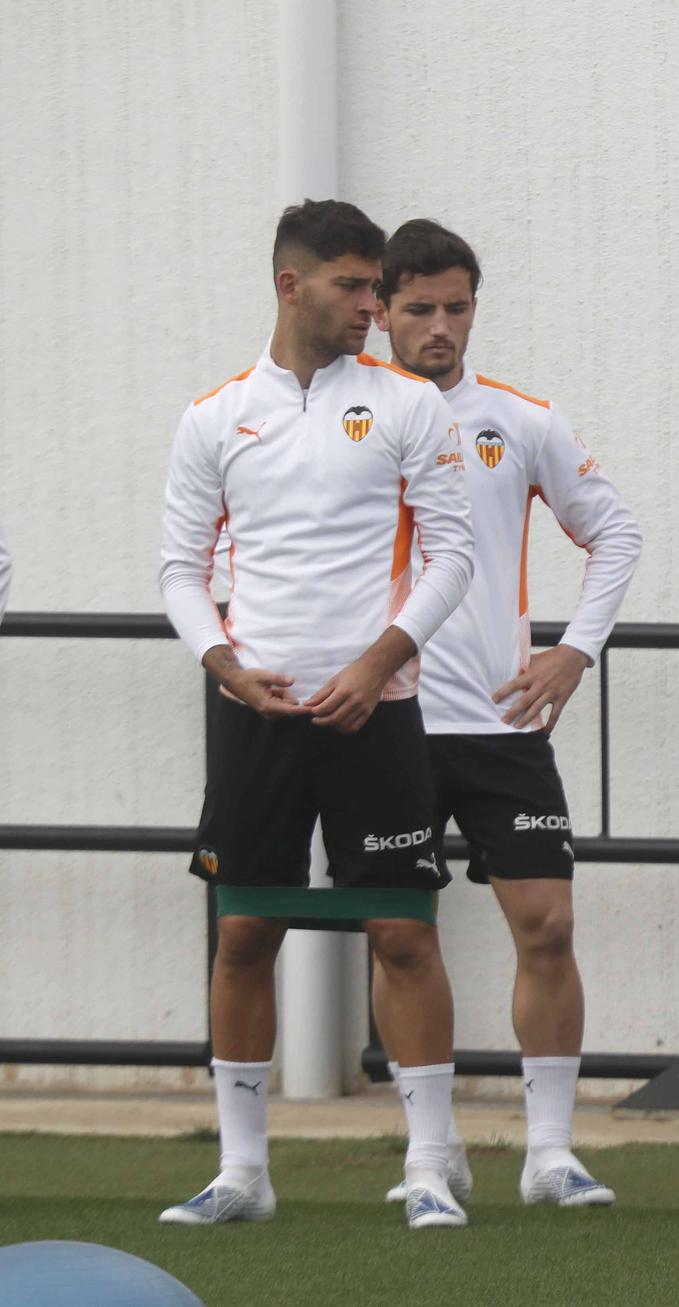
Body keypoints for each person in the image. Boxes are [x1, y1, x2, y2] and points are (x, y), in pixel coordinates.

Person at [157, 200, 475, 1229]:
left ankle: (429, 1162)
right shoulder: (214, 414)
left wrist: (379, 659)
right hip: (254, 712)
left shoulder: (406, 405)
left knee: (403, 930)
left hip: (375, 710)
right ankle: (243, 1169)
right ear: (290, 284)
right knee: (244, 930)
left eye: (376, 287)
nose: (372, 306)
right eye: (352, 286)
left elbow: (452, 554)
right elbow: (179, 568)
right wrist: (224, 663)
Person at [371, 219, 643, 1209]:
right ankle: (428, 1155)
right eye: (418, 309)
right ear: (381, 312)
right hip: (383, 716)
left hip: (498, 720)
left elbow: (615, 532)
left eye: (456, 307)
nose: (440, 326)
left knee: (548, 923)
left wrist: (575, 649)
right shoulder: (342, 421)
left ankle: (549, 1151)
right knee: (400, 936)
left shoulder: (519, 419)